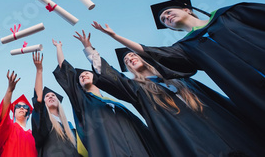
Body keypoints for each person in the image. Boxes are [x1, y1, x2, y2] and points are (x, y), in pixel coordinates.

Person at [74, 30, 264, 156]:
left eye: (133, 55)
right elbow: (111, 77)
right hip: (192, 142)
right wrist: (89, 50)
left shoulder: (181, 79)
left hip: (227, 131)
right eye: (127, 60)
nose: (130, 58)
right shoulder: (137, 89)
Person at [93, 0, 265, 131]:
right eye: (163, 19)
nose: (166, 17)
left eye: (168, 13)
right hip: (250, 90)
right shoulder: (185, 48)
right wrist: (115, 36)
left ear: (187, 10)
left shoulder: (230, 14)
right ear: (172, 29)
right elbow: (151, 52)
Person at [52, 39, 157, 157]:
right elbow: (66, 72)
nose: (84, 75)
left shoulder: (114, 103)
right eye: (81, 76)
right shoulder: (82, 100)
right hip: (108, 150)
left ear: (96, 79)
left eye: (87, 73)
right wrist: (59, 47)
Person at [31, 51, 79, 157]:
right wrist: (39, 71)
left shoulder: (69, 128)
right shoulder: (45, 121)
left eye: (53, 95)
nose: (51, 96)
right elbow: (38, 102)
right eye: (47, 96)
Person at [0, 71, 37, 157]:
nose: (21, 108)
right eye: (18, 106)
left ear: (28, 114)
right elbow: (3, 116)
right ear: (13, 112)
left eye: (25, 107)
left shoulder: (34, 136)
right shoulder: (10, 127)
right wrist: (10, 91)